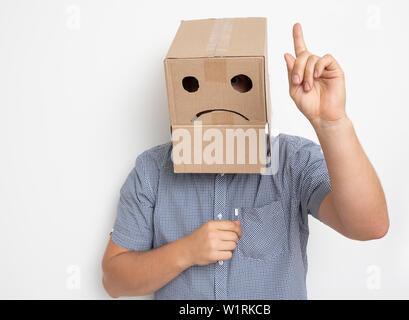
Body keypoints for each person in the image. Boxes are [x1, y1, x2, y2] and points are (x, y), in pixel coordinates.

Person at [101, 23, 389, 299]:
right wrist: (186, 252)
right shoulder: (152, 171)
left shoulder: (292, 161)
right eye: (194, 83)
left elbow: (370, 226)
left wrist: (332, 122)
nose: (216, 99)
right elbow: (114, 281)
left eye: (236, 80)